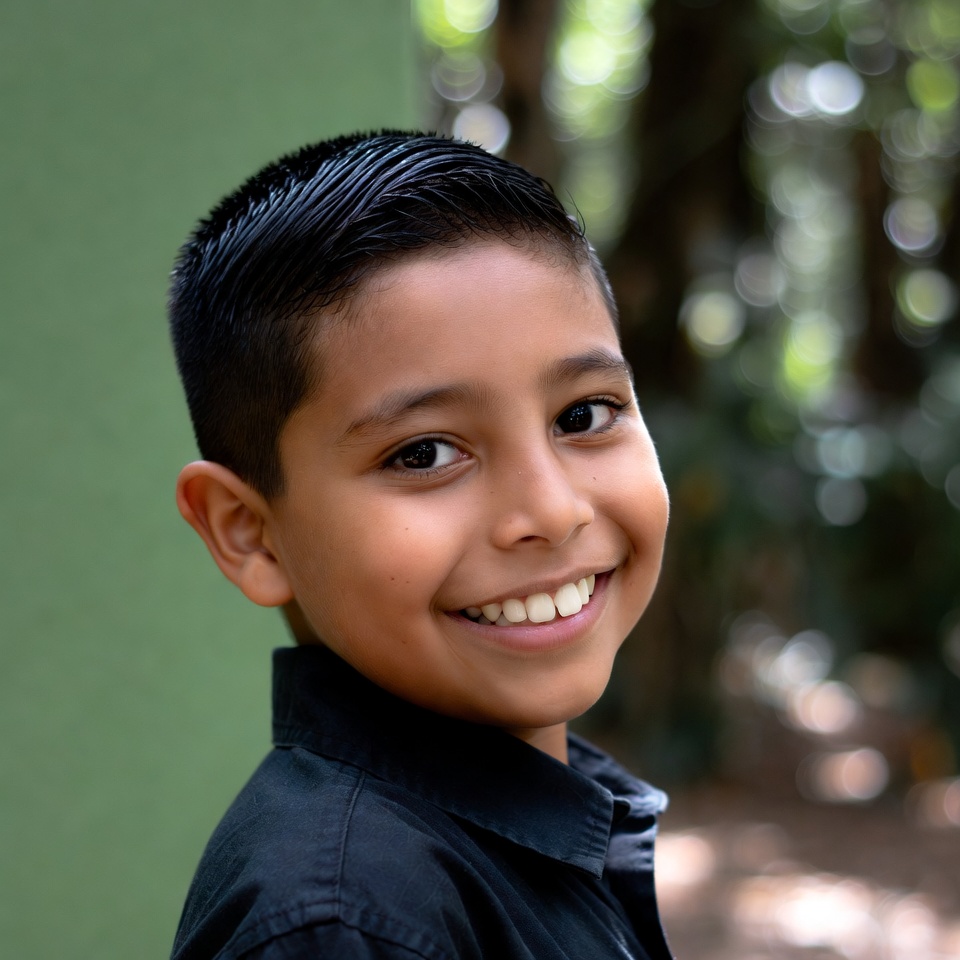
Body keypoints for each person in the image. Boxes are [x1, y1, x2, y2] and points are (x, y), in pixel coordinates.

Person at [168, 131, 673, 959]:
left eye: (583, 415)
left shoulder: (523, 830)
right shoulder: (349, 923)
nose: (552, 511)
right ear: (249, 532)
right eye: (425, 454)